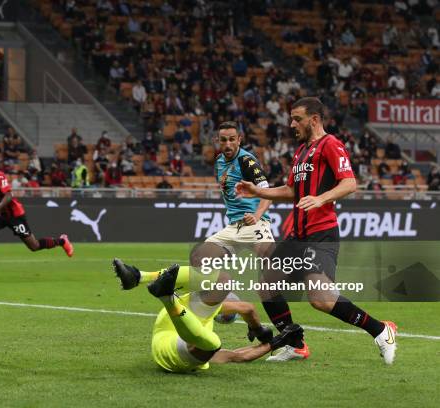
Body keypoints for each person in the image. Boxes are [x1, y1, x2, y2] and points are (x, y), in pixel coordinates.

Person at [236, 97, 397, 364]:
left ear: (314, 119)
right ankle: (295, 344)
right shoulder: (300, 152)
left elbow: (349, 183)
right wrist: (258, 191)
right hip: (298, 236)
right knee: (267, 285)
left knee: (320, 299)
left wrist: (321, 198)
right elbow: (291, 191)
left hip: (321, 233)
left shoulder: (331, 145)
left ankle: (381, 331)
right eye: (291, 118)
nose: (292, 124)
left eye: (297, 118)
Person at [112, 259, 305, 372]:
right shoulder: (208, 313)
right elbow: (238, 355)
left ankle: (146, 281)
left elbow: (246, 310)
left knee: (211, 342)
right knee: (212, 342)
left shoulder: (202, 308)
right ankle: (146, 282)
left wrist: (265, 335)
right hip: (178, 348)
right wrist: (272, 339)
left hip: (168, 344)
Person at [206, 121, 273, 256]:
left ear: (239, 140)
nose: (228, 144)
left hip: (255, 224)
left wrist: (256, 215)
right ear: (217, 141)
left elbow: (268, 193)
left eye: (232, 139)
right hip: (233, 227)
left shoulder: (246, 161)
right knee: (200, 257)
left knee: (269, 264)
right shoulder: (219, 161)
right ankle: (229, 279)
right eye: (223, 140)